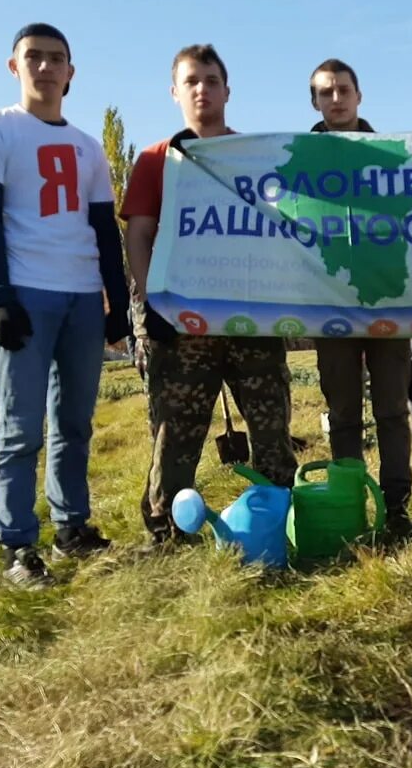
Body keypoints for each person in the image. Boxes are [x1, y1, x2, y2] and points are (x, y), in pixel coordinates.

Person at [0, 23, 130, 588]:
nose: (45, 67)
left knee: (75, 423)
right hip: (26, 296)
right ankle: (15, 544)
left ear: (71, 72)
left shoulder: (88, 147)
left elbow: (106, 231)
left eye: (56, 58)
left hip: (82, 294)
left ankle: (71, 526)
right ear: (14, 66)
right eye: (33, 57)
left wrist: (118, 300)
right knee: (19, 427)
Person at [122, 44, 297, 547]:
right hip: (179, 322)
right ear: (175, 91)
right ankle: (169, 530)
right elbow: (139, 234)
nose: (202, 90)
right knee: (175, 432)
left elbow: (283, 232)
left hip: (250, 321)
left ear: (227, 90)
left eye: (211, 80)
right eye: (191, 81)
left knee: (271, 423)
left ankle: (279, 517)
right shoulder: (157, 159)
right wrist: (148, 304)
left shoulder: (256, 157)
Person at [308, 58, 412, 536]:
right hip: (329, 306)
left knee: (393, 410)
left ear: (359, 95)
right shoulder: (299, 160)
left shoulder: (390, 155)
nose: (336, 99)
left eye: (343, 90)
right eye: (325, 92)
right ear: (315, 101)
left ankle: (397, 509)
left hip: (387, 300)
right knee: (344, 413)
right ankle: (351, 506)